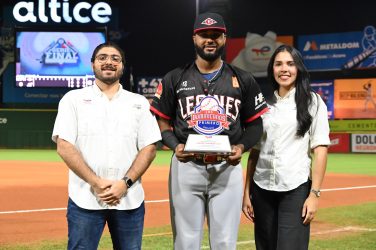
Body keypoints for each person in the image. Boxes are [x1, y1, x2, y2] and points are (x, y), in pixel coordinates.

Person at [150, 12, 268, 250]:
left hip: (227, 168)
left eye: (216, 35)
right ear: (195, 38)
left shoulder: (242, 78)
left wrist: (242, 147)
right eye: (204, 35)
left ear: (224, 39)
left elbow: (255, 125)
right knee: (185, 242)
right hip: (186, 166)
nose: (210, 39)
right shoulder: (175, 78)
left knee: (225, 243)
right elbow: (162, 122)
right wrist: (175, 146)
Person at [52, 42, 161, 250]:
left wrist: (125, 183)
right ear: (92, 64)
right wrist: (95, 182)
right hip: (84, 198)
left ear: (122, 66)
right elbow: (64, 145)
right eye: (102, 58)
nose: (109, 62)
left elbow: (149, 147)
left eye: (115, 58)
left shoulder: (138, 102)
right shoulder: (73, 100)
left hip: (129, 199)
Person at [242, 44, 331, 250]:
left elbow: (320, 150)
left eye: (290, 64)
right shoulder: (263, 105)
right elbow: (255, 153)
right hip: (262, 189)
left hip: (295, 189)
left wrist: (314, 195)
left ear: (298, 68)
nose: (284, 69)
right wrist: (247, 193)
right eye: (278, 64)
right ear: (272, 69)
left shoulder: (313, 102)